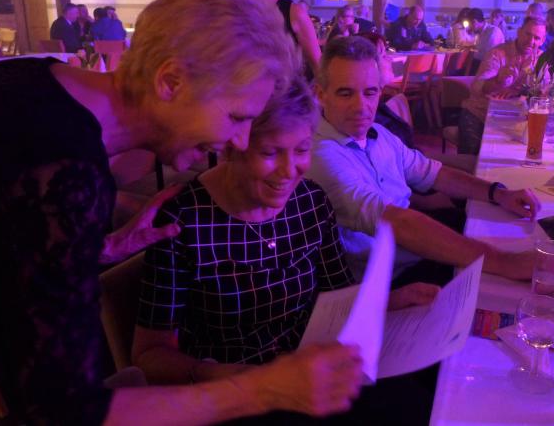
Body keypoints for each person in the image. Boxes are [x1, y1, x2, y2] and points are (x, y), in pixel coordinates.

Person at [0, 0, 363, 425]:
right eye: (237, 117)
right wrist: (262, 389)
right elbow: (64, 412)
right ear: (170, 81)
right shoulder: (64, 170)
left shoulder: (33, 81)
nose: (237, 141)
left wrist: (88, 248)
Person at [132, 78, 436, 423]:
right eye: (270, 153)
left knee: (424, 400)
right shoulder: (184, 219)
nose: (289, 171)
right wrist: (220, 374)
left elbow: (338, 295)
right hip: (237, 397)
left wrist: (391, 300)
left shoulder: (311, 201)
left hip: (312, 374)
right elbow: (149, 355)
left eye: (302, 150)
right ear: (231, 147)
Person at [308, 36, 540, 284]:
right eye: (345, 93)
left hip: (414, 250)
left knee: (516, 233)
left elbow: (435, 173)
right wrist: (504, 263)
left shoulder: (379, 134)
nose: (361, 106)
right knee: (510, 281)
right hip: (391, 280)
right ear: (321, 95)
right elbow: (397, 222)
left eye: (370, 92)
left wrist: (498, 193)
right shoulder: (321, 155)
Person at [457, 17, 547, 155]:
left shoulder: (541, 59)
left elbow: (544, 90)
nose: (531, 41)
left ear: (542, 41)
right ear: (519, 32)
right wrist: (498, 81)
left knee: (518, 153)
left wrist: (517, 91)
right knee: (473, 159)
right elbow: (477, 88)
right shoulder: (497, 53)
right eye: (527, 34)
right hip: (480, 114)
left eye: (536, 38)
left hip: (514, 121)